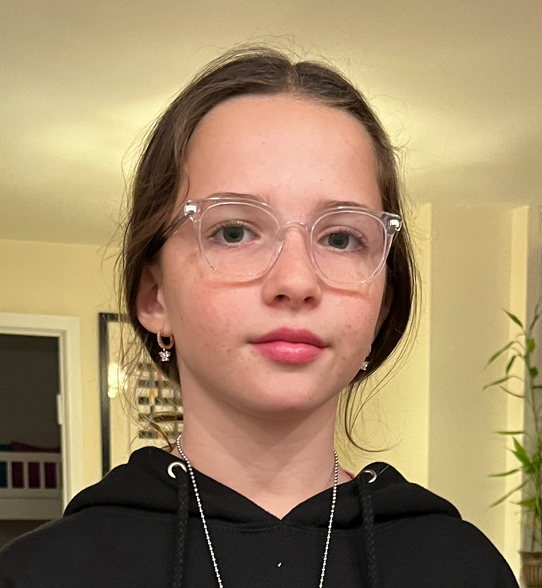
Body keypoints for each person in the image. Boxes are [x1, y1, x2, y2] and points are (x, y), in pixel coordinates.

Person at [0, 46, 518, 588]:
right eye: (234, 231)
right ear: (154, 296)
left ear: (382, 303)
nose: (296, 281)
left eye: (341, 238)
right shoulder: (41, 573)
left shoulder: (463, 568)